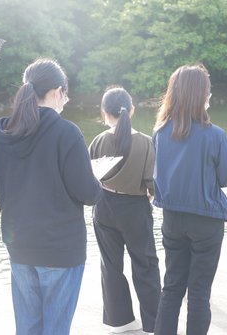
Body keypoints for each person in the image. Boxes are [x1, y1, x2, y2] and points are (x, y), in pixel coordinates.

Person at [0, 58, 103, 334]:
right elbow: (88, 193)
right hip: (59, 248)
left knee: (27, 328)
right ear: (56, 92)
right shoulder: (67, 133)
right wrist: (99, 181)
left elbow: (0, 189)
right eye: (65, 93)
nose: (66, 100)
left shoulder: (4, 134)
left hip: (20, 245)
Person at [152, 64, 227, 335]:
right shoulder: (216, 135)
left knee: (172, 287)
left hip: (172, 220)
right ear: (202, 95)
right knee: (199, 293)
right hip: (206, 221)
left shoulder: (160, 132)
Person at [89, 86, 160, 334]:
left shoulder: (99, 140)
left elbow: (91, 178)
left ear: (104, 112)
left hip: (105, 206)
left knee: (110, 265)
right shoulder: (146, 142)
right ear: (131, 109)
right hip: (135, 208)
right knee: (146, 263)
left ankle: (120, 322)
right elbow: (152, 185)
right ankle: (153, 323)